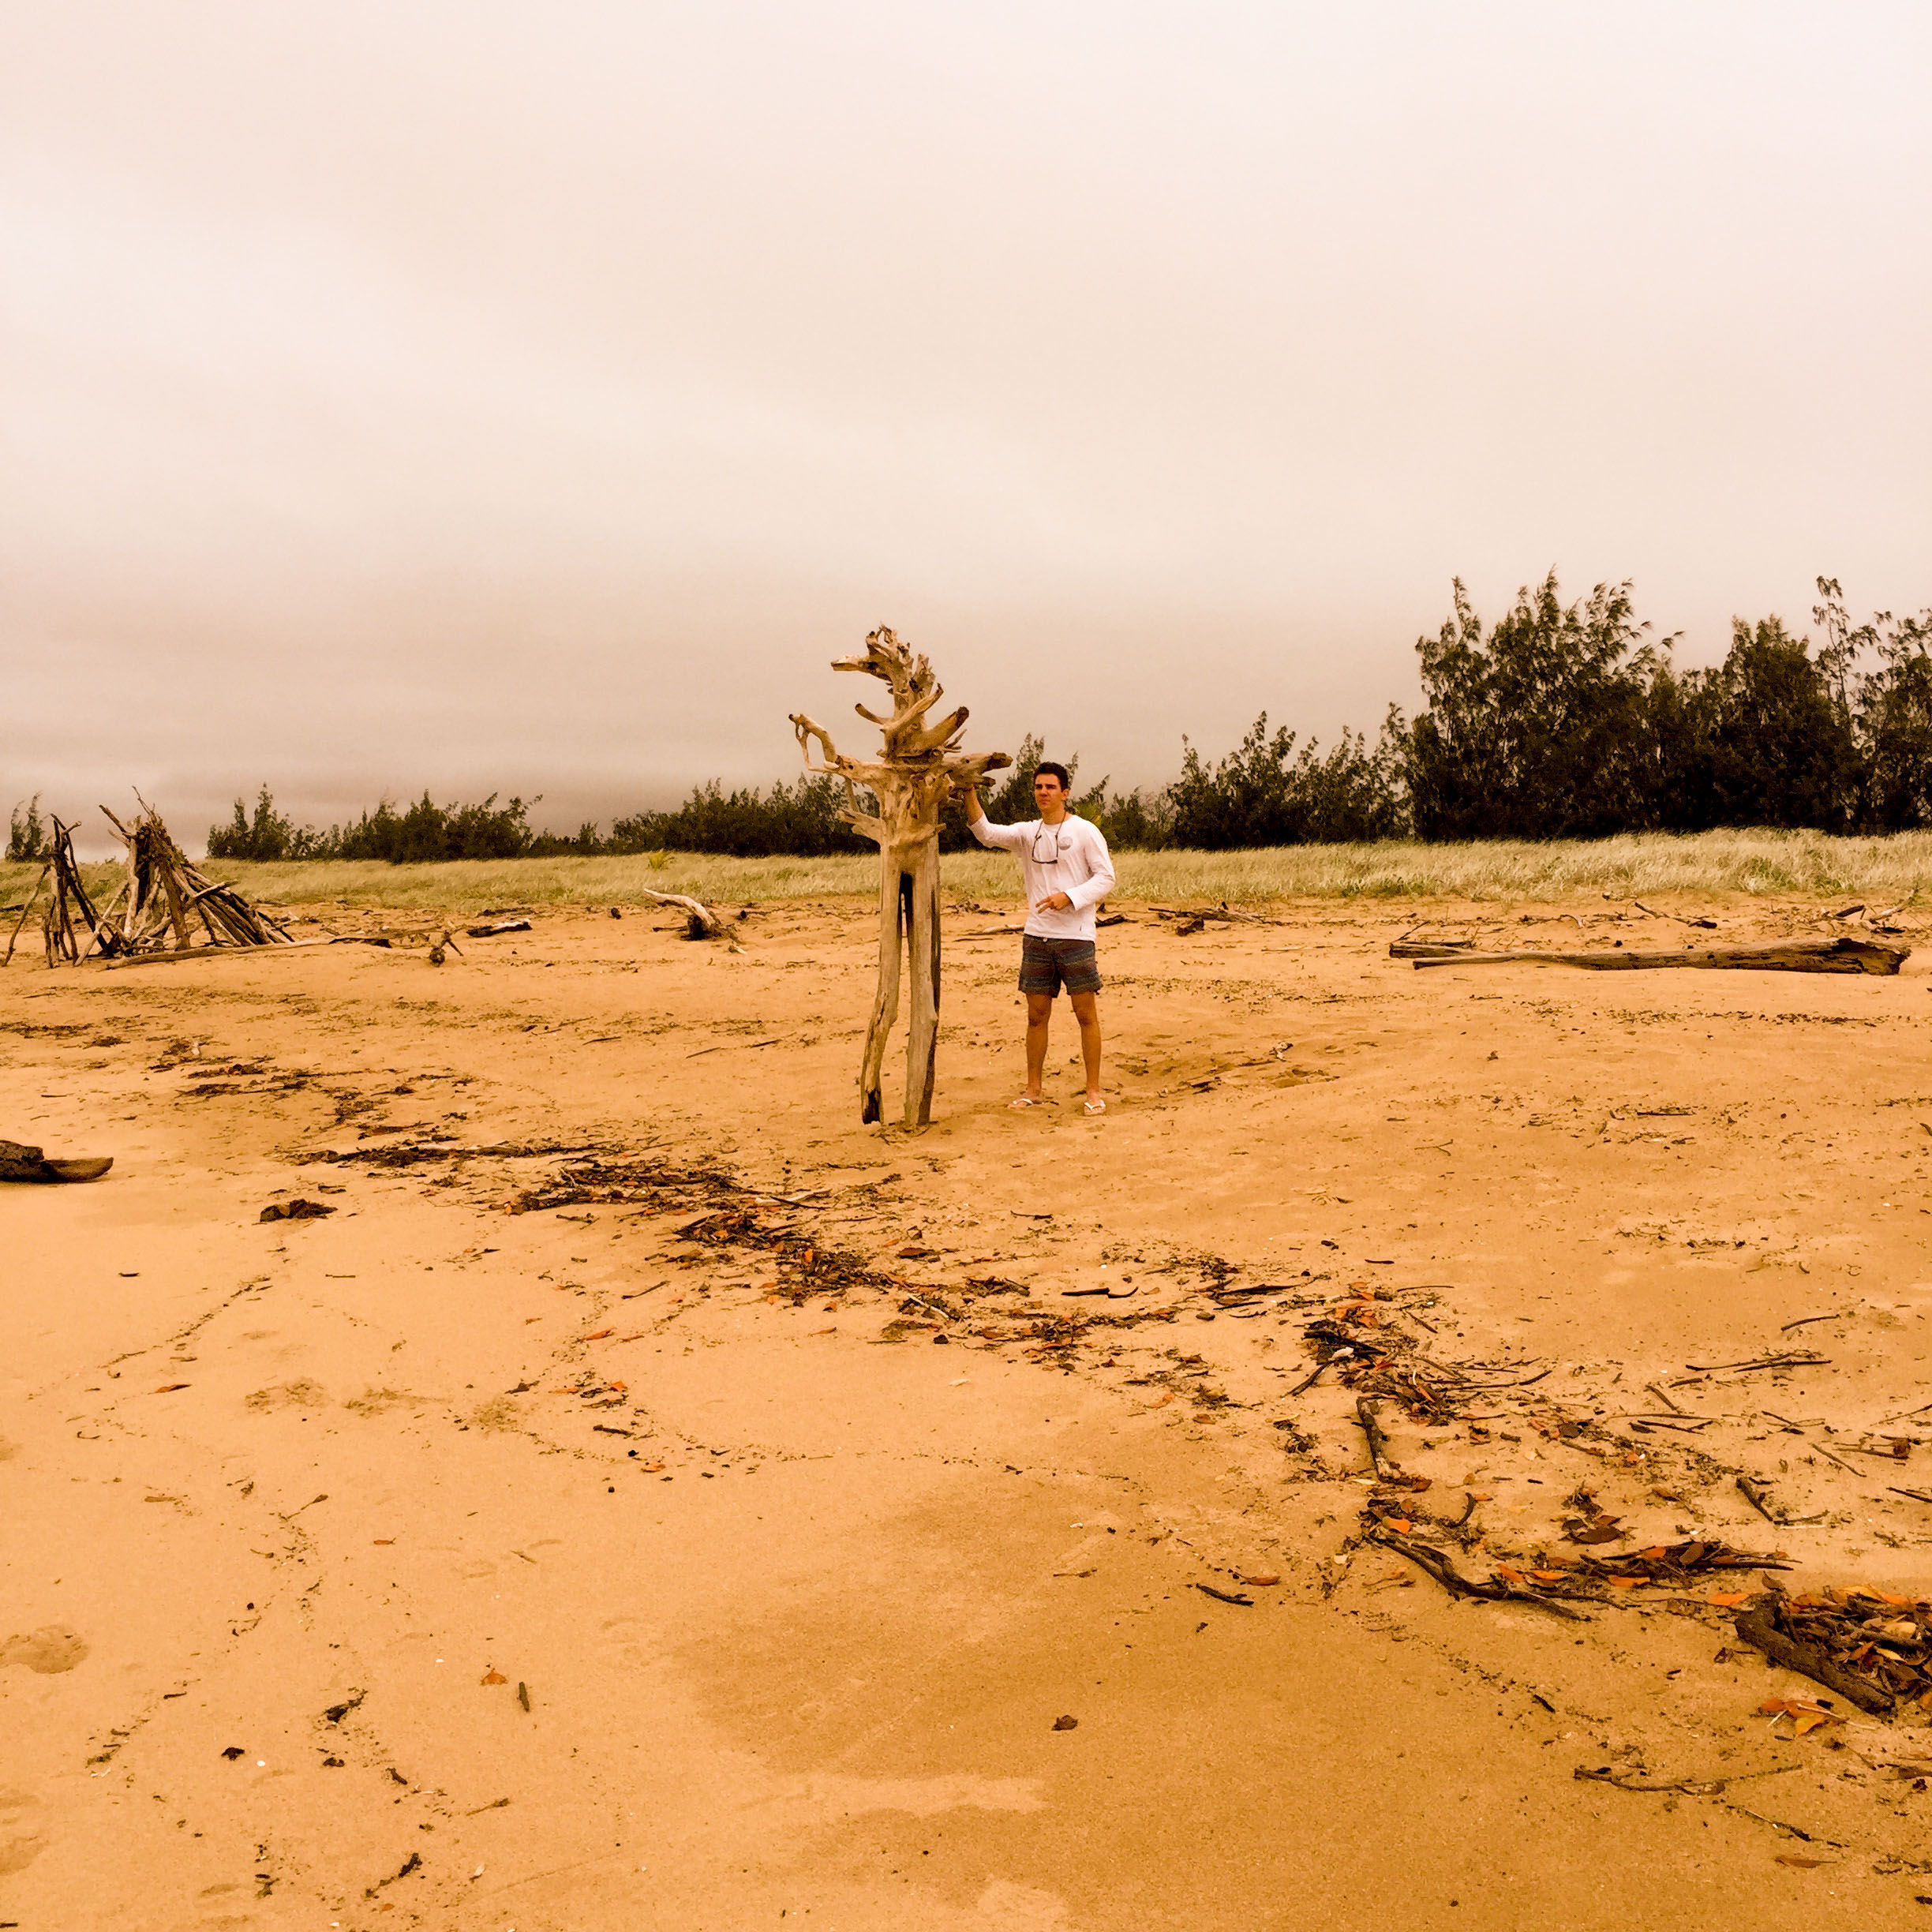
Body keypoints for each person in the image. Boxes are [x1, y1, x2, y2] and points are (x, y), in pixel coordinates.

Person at [962, 762, 1115, 1114]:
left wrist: (1070, 896)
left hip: (1076, 937)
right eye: (1038, 787)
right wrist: (970, 791)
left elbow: (1106, 877)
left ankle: (1093, 1091)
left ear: (1065, 793)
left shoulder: (1085, 831)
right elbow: (985, 833)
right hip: (1037, 936)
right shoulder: (1027, 833)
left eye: (1050, 787)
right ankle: (1034, 1089)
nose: (1043, 792)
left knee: (1085, 1013)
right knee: (1035, 1014)